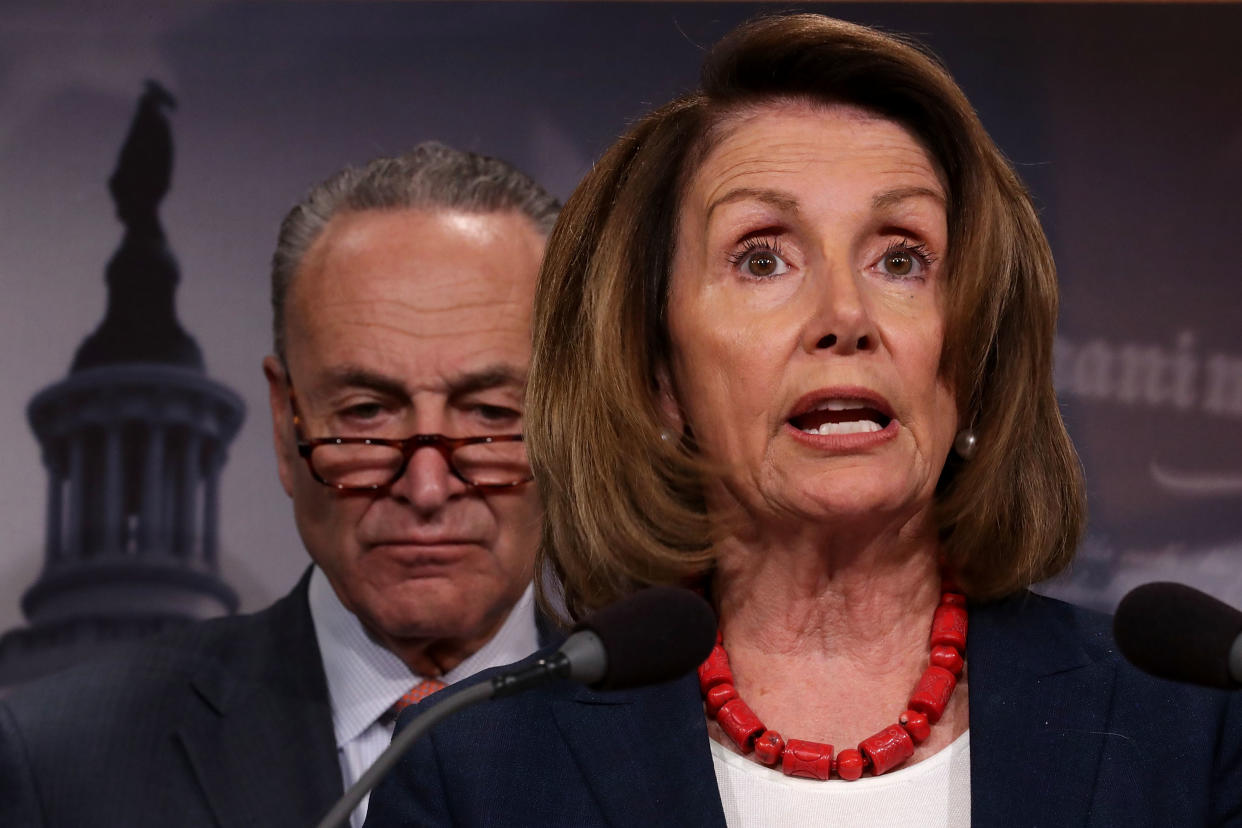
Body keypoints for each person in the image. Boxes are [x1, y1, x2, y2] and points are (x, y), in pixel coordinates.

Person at [363, 16, 1242, 827]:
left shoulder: (1188, 730)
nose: (845, 314)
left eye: (902, 258)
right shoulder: (475, 776)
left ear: (974, 362)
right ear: (657, 373)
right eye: (762, 257)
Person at [0, 142, 559, 828]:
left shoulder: (683, 741)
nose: (427, 486)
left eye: (492, 414)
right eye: (364, 415)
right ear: (284, 425)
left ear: (572, 421)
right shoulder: (61, 762)